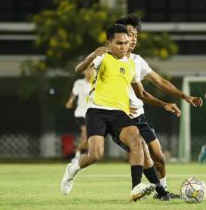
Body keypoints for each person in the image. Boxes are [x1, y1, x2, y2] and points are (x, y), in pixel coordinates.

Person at [79, 14, 202, 198]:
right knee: (143, 153)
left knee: (159, 157)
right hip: (119, 116)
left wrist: (182, 97)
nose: (133, 38)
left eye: (135, 35)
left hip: (139, 116)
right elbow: (93, 80)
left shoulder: (136, 61)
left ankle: (161, 191)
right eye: (129, 34)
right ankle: (150, 191)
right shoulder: (106, 59)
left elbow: (158, 83)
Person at [61, 24, 181, 201]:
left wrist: (163, 104)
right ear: (109, 43)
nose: (123, 46)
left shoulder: (132, 64)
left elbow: (140, 93)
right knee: (95, 154)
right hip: (97, 111)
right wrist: (92, 56)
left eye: (125, 43)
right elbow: (79, 69)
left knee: (138, 141)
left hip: (120, 113)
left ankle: (136, 187)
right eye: (118, 43)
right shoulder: (102, 57)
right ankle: (72, 170)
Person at [65, 68, 94, 162]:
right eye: (87, 70)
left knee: (90, 136)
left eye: (92, 70)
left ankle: (86, 155)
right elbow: (74, 93)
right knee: (85, 132)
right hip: (80, 113)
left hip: (92, 113)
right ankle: (77, 156)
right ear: (83, 72)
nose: (89, 72)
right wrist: (70, 101)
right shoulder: (79, 83)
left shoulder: (97, 83)